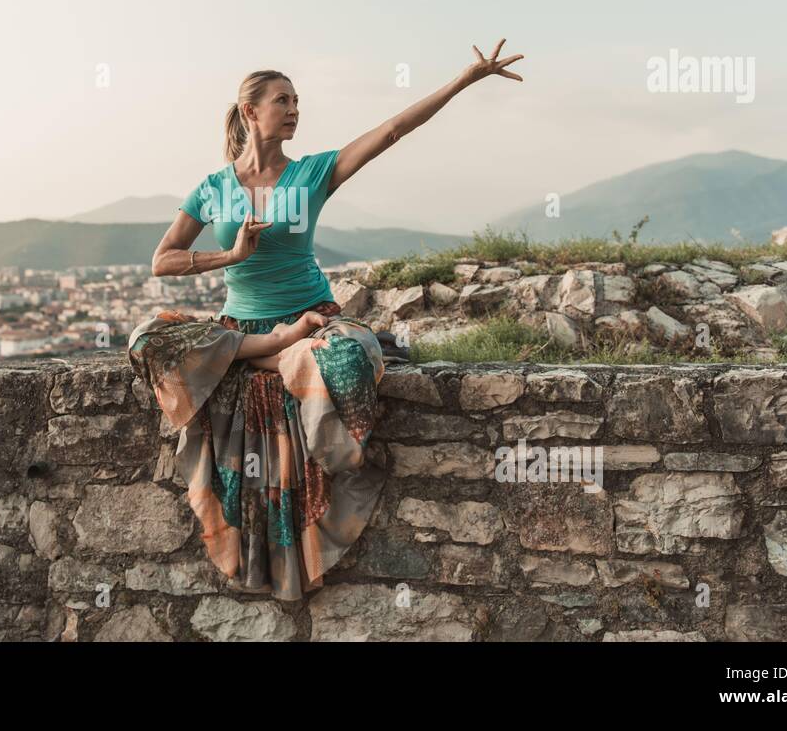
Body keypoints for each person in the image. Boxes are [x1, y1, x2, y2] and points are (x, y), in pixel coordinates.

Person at [127, 40, 524, 600]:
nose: (294, 109)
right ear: (250, 111)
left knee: (350, 352)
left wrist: (463, 80)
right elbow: (162, 259)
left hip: (312, 321)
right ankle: (273, 349)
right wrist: (231, 257)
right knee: (147, 338)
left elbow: (389, 132)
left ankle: (277, 349)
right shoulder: (214, 188)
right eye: (282, 100)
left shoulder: (311, 174)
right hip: (243, 326)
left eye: (297, 101)